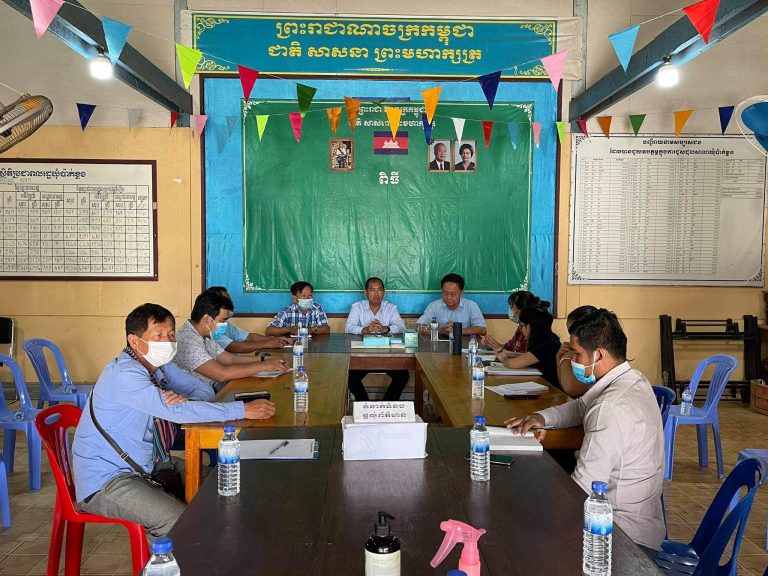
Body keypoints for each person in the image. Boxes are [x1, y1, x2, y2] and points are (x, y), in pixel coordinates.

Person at [72, 303, 277, 537]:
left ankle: (222, 547)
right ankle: (166, 558)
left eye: (170, 334)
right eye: (158, 335)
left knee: (221, 486)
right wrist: (241, 409)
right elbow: (178, 413)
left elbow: (203, 391)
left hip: (151, 464)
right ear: (134, 341)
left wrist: (182, 403)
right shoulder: (125, 374)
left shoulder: (160, 368)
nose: (168, 341)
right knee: (177, 521)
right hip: (107, 479)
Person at [505, 309, 665, 553]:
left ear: (598, 354)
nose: (574, 361)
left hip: (620, 536)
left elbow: (581, 491)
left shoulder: (610, 407)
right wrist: (541, 417)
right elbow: (580, 407)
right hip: (638, 523)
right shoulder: (632, 380)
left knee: (519, 524)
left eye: (577, 354)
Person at [173, 291, 288, 391]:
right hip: (201, 397)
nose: (224, 325)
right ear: (207, 319)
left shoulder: (205, 335)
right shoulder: (188, 341)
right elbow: (222, 374)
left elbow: (231, 359)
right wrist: (263, 366)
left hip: (216, 389)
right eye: (222, 321)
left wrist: (264, 360)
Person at [345, 277, 408, 401]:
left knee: (403, 376)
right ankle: (365, 405)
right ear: (365, 292)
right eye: (372, 290)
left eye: (379, 290)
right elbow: (348, 327)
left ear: (384, 292)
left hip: (387, 357)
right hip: (363, 357)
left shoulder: (391, 308)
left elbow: (401, 327)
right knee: (350, 377)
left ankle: (386, 405)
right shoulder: (358, 307)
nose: (376, 294)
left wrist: (386, 328)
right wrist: (365, 329)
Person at [203, 286, 291, 352]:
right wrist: (267, 344)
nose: (230, 305)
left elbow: (249, 337)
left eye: (229, 301)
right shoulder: (212, 328)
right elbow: (234, 347)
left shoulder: (225, 324)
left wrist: (273, 339)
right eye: (226, 302)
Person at [497, 307, 560, 387]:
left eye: (521, 326)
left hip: (551, 389)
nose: (521, 330)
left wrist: (503, 359)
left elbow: (513, 364)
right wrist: (510, 354)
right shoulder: (547, 340)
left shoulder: (548, 345)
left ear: (529, 326)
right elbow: (532, 356)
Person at [416, 273, 486, 336]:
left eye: (453, 294)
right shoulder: (434, 306)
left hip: (465, 345)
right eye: (445, 293)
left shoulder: (471, 305)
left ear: (461, 293)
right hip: (440, 344)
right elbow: (418, 326)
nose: (449, 297)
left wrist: (458, 331)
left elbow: (483, 330)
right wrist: (440, 330)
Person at [482, 291, 549, 354]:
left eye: (512, 307)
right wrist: (493, 344)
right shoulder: (520, 329)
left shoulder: (532, 330)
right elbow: (509, 349)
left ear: (522, 310)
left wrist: (507, 353)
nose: (510, 310)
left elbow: (528, 357)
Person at [556, 305, 598, 398]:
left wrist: (566, 358)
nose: (571, 337)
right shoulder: (574, 351)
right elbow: (564, 385)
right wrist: (559, 358)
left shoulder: (591, 352)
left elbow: (570, 389)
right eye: (570, 333)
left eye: (573, 332)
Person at [265, 281, 330, 336]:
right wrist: (288, 329)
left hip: (313, 344)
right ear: (295, 298)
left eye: (310, 295)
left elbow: (327, 329)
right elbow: (268, 331)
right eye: (303, 295)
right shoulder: (286, 312)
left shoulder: (317, 308)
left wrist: (313, 329)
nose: (307, 298)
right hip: (293, 344)